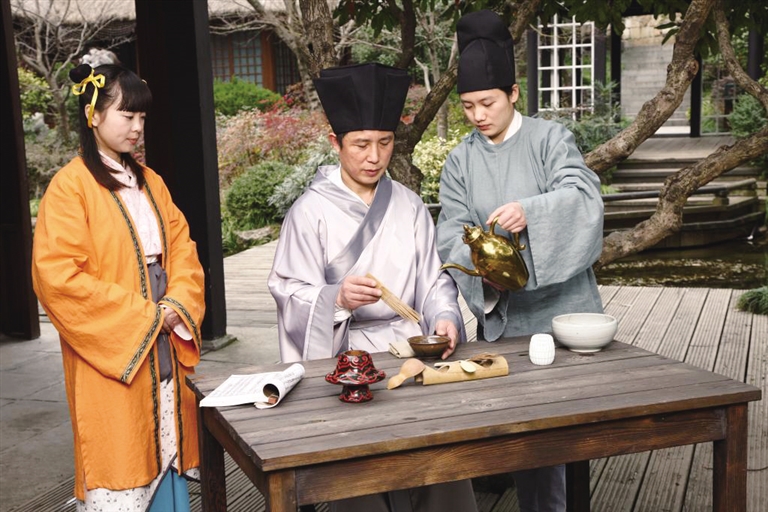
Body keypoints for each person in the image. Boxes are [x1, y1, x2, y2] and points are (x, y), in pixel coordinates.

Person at [268, 62, 477, 512]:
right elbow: (289, 291)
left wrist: (445, 315)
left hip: (410, 352)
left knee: (439, 460)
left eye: (384, 142)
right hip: (347, 359)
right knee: (360, 473)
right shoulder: (309, 212)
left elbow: (433, 278)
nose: (374, 157)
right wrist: (336, 298)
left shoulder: (409, 204)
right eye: (361, 144)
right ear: (335, 143)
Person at [436, 10, 605, 512]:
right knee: (523, 442)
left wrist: (532, 211)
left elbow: (583, 195)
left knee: (569, 440)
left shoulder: (549, 139)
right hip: (507, 319)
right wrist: (484, 275)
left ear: (513, 93)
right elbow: (451, 230)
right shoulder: (460, 160)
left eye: (487, 102)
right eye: (467, 106)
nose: (477, 116)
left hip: (565, 316)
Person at [31, 56, 206, 512]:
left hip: (165, 336)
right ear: (93, 115)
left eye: (142, 117)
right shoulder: (70, 187)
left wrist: (176, 306)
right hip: (114, 350)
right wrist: (147, 317)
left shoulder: (152, 182)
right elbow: (58, 277)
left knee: (169, 448)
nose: (137, 128)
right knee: (121, 454)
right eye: (127, 116)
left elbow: (183, 250)